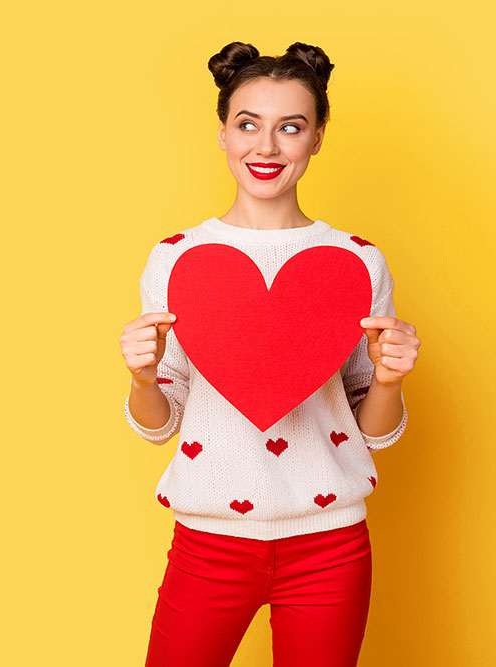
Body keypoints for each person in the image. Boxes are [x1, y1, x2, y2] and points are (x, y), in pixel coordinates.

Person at [119, 41, 422, 667]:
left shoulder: (357, 261)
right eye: (248, 125)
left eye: (291, 127)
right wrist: (143, 378)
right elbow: (160, 425)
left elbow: (376, 432)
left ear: (316, 139)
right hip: (207, 543)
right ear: (224, 134)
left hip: (330, 545)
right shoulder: (176, 258)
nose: (267, 147)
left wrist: (389, 383)